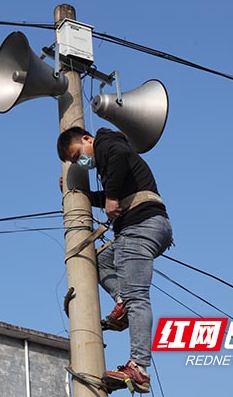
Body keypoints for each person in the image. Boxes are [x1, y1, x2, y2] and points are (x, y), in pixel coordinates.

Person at [57, 126, 173, 394]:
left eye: (78, 155)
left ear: (87, 140)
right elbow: (113, 194)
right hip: (142, 226)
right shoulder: (109, 163)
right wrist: (78, 194)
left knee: (138, 297)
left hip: (142, 226)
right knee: (94, 263)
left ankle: (139, 368)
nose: (80, 163)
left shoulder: (108, 145)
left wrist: (109, 197)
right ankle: (122, 304)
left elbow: (120, 158)